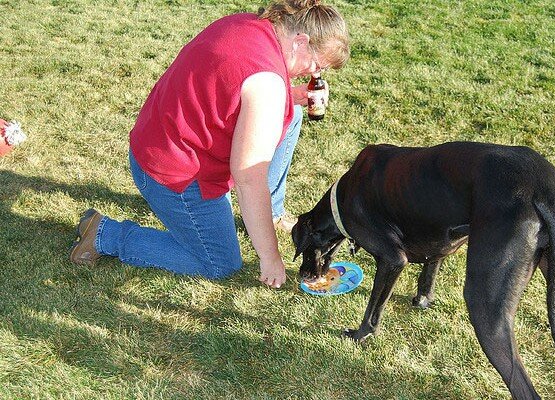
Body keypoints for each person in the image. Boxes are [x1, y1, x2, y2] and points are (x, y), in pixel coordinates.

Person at [70, 0, 349, 289]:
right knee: (219, 262)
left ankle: (272, 213)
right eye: (317, 63)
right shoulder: (267, 85)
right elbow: (249, 179)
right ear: (300, 41)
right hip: (174, 173)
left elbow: (232, 87)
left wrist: (288, 96)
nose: (315, 73)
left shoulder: (249, 24)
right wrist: (270, 256)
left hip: (156, 140)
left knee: (292, 115)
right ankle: (105, 234)